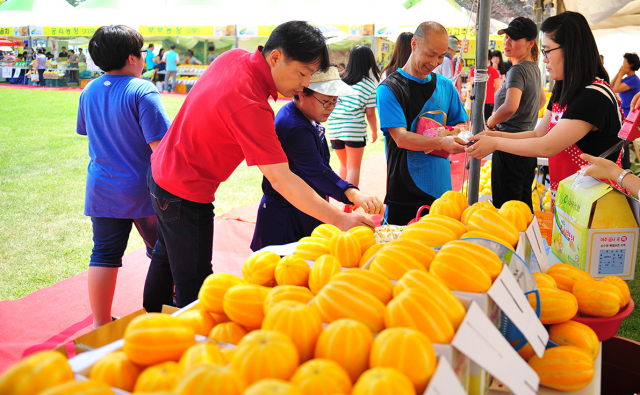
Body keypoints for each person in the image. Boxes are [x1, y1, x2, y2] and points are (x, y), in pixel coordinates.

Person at [145, 21, 375, 313]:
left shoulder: (235, 57)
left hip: (162, 172)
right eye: (302, 74)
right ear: (275, 58)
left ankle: (149, 318)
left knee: (166, 256)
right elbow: (282, 179)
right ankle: (180, 342)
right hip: (185, 190)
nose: (304, 84)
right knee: (196, 284)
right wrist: (340, 220)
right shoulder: (251, 104)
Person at [467, 11, 625, 209]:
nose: (544, 59)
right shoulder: (564, 87)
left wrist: (496, 142)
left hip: (596, 209)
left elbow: (546, 146)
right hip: (572, 203)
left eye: (548, 51)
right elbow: (538, 133)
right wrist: (495, 135)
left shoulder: (593, 96)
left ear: (571, 49)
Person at [78, 25, 170, 328]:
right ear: (133, 58)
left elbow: (88, 131)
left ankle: (100, 323)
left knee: (103, 253)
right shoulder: (142, 89)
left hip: (102, 188)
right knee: (165, 250)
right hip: (144, 190)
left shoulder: (89, 89)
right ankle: (167, 311)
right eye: (143, 52)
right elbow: (162, 146)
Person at [251, 67, 383, 250]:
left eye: (335, 102)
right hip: (289, 216)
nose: (331, 108)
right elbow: (317, 172)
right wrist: (353, 194)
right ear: (302, 93)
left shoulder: (306, 116)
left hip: (306, 207)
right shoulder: (295, 127)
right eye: (326, 102)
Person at [377, 22, 469, 225]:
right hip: (404, 192)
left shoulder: (445, 85)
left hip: (442, 193)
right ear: (414, 43)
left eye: (441, 56)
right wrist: (441, 142)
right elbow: (400, 138)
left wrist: (457, 133)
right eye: (431, 54)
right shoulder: (390, 89)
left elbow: (463, 123)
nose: (436, 62)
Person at [477, 17, 544, 210]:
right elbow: (541, 101)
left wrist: (489, 123)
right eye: (506, 37)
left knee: (506, 207)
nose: (507, 43)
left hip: (509, 145)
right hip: (527, 146)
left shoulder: (518, 70)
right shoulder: (534, 67)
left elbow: (510, 106)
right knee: (522, 204)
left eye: (513, 39)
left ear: (530, 43)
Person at [327, 46, 380, 193]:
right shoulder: (369, 85)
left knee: (344, 165)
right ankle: (349, 204)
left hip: (334, 127)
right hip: (354, 129)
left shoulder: (339, 80)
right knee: (354, 167)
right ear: (369, 62)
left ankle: (342, 199)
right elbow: (370, 114)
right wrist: (374, 132)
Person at [468, 49, 501, 121]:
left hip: (489, 101)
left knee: (486, 122)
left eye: (487, 58)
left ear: (489, 59)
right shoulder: (474, 70)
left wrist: (490, 93)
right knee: (476, 122)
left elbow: (498, 86)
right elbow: (472, 84)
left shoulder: (493, 71)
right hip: (477, 100)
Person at [612, 53, 640, 118]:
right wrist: (619, 73)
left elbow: (616, 89)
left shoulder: (634, 79)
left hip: (631, 111)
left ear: (631, 65)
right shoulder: (626, 80)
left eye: (624, 63)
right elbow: (611, 86)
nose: (622, 66)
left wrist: (621, 74)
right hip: (625, 111)